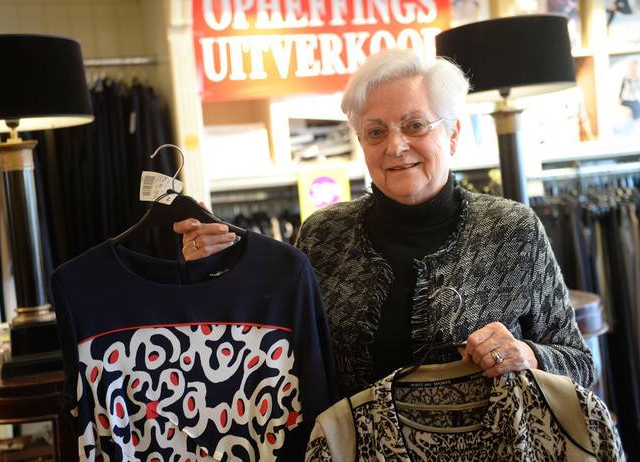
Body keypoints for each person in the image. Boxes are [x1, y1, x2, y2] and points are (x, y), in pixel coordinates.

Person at [174, 48, 594, 397]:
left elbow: (580, 364)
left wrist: (527, 355)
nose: (396, 146)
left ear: (452, 134)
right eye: (376, 132)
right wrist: (211, 275)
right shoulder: (323, 235)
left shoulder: (512, 231)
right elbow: (273, 348)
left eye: (414, 125)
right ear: (361, 143)